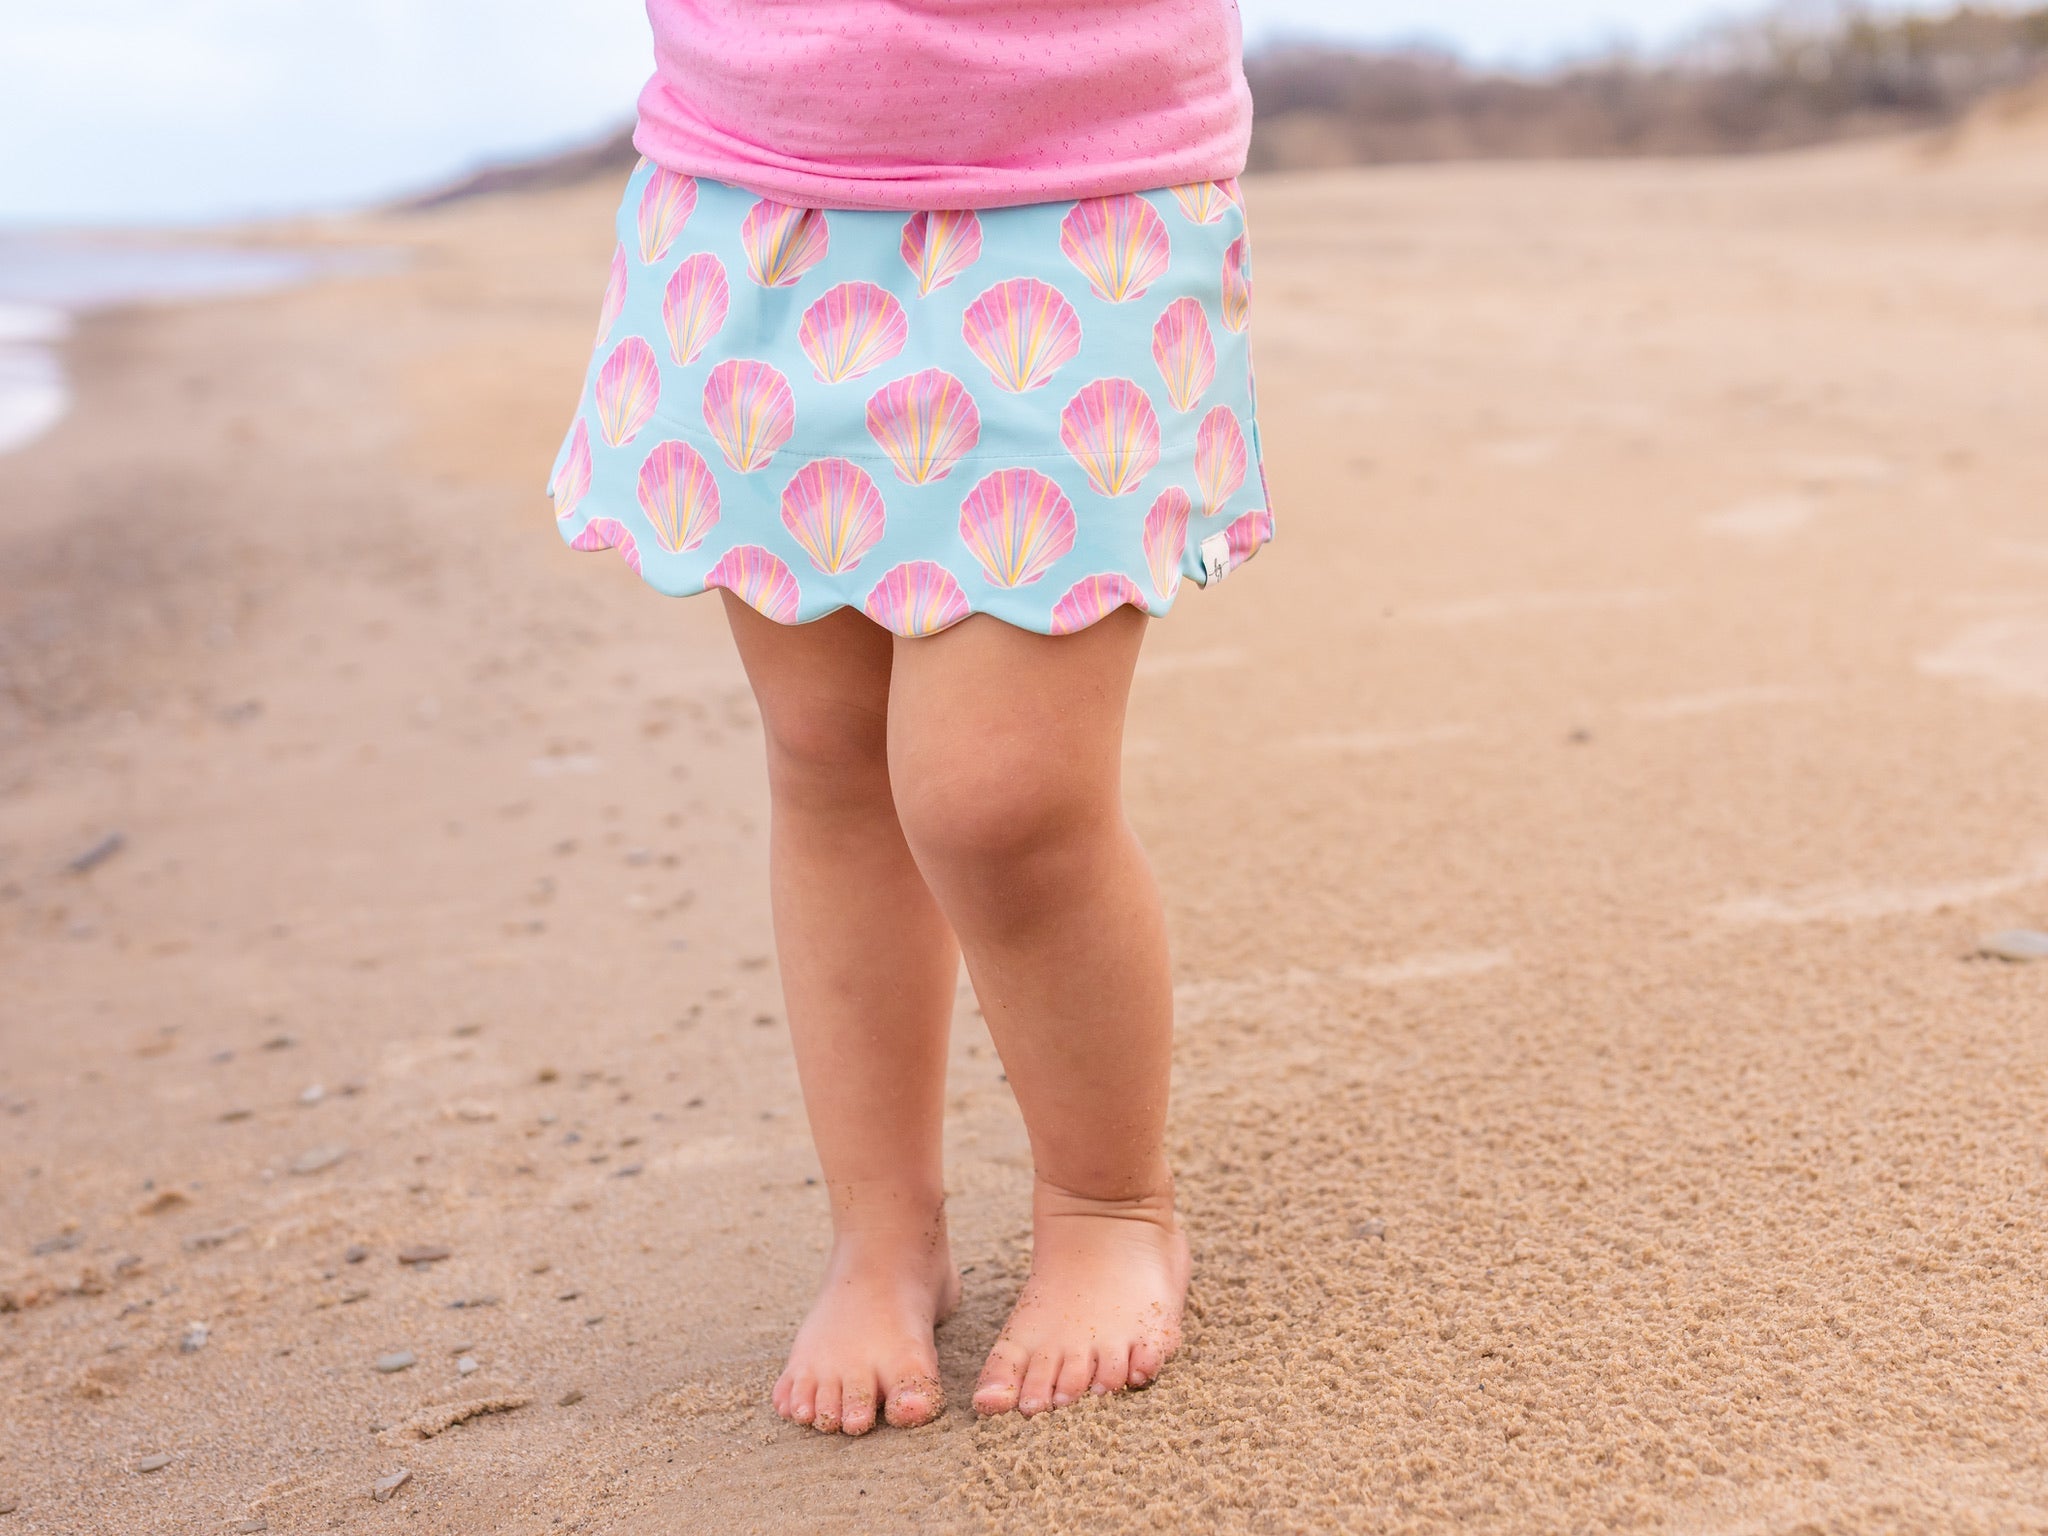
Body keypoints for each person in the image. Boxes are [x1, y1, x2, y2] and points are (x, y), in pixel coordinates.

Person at [546, 0, 1273, 1436]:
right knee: (829, 759)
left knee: (1000, 798)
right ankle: (882, 1231)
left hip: (1080, 184)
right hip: (745, 187)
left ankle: (1107, 1199)